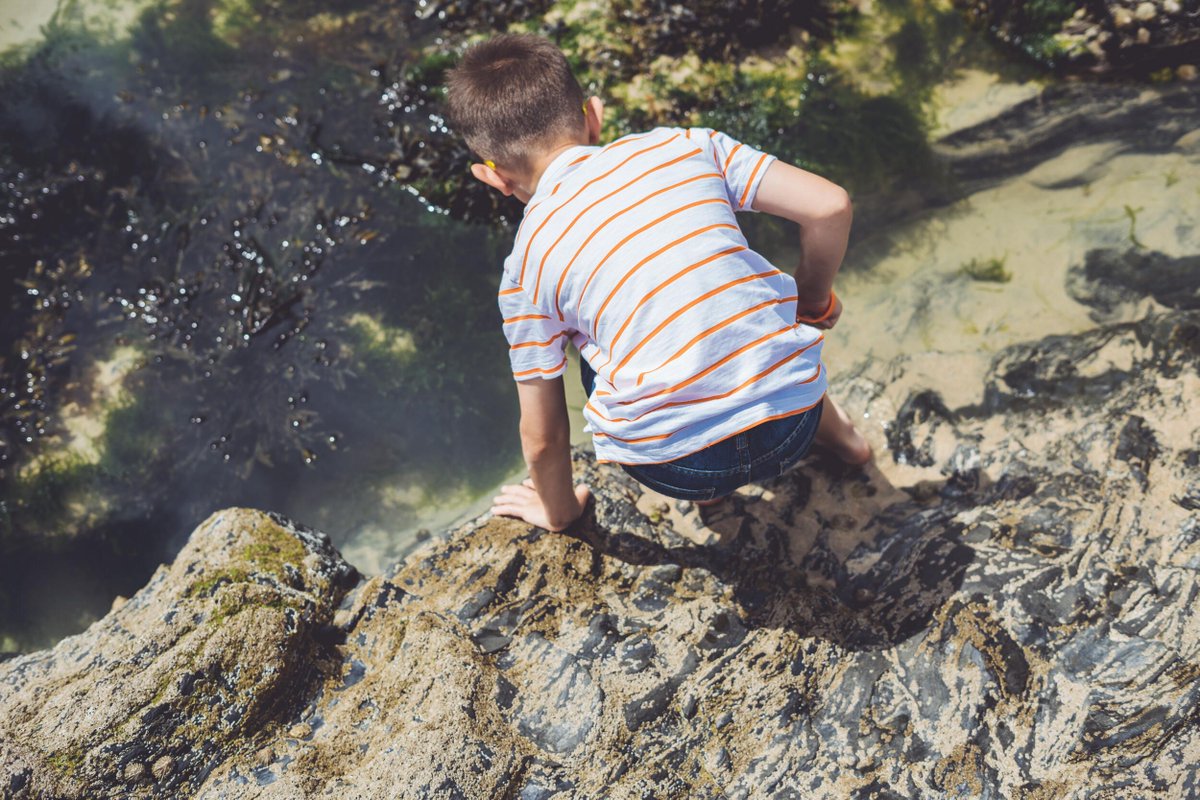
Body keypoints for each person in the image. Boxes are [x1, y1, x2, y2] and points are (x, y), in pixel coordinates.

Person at [445, 33, 871, 532]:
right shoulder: (688, 146)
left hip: (681, 468)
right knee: (738, 290)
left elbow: (543, 436)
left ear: (493, 178)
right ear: (593, 115)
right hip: (793, 425)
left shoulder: (524, 267)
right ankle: (846, 441)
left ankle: (714, 496)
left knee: (595, 345)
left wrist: (558, 512)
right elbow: (830, 206)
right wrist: (812, 300)